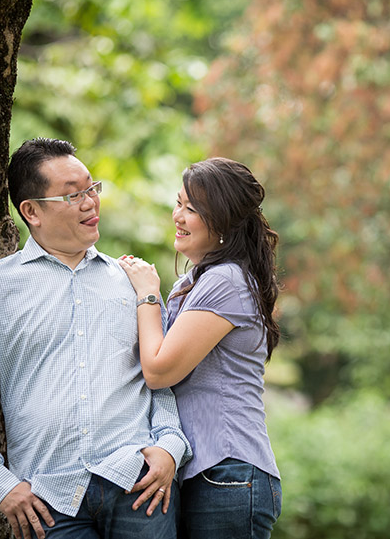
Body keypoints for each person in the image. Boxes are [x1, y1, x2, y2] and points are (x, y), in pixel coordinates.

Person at [0, 138, 192, 539]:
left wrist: (170, 445)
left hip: (137, 483)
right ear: (31, 211)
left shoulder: (131, 280)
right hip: (47, 503)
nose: (90, 203)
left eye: (92, 188)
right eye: (72, 195)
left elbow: (157, 375)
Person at [118, 157, 282, 538]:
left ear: (223, 223)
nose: (178, 215)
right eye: (179, 203)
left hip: (227, 470)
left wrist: (147, 294)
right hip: (205, 472)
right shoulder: (195, 281)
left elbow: (159, 371)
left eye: (192, 209)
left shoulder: (225, 280)